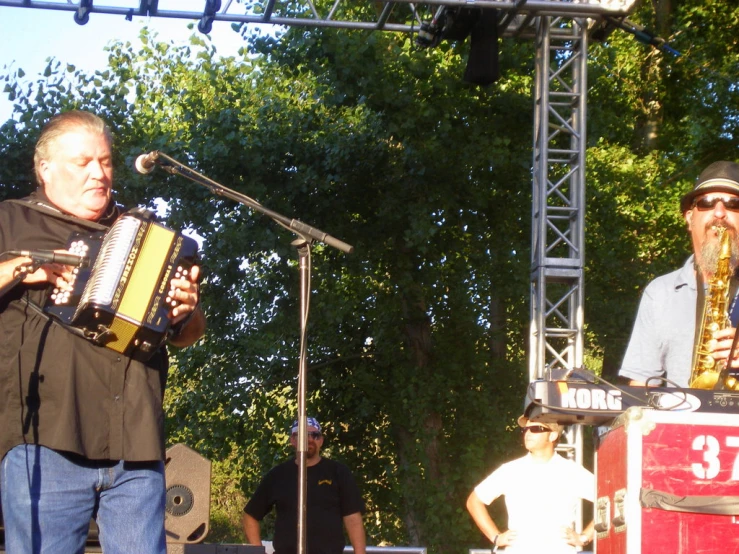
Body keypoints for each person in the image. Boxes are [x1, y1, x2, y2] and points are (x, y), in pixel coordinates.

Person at [0, 110, 206, 554]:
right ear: (45, 168)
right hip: (47, 439)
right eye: (83, 162)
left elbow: (187, 336)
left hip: (135, 439)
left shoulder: (141, 232)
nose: (99, 173)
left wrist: (188, 313)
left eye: (106, 161)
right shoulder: (11, 221)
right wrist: (24, 266)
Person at [619, 161, 739, 387]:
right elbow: (641, 386)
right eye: (707, 203)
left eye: (734, 204)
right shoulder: (660, 292)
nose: (720, 212)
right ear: (689, 217)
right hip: (683, 420)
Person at [466, 416, 595, 553]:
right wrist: (496, 537)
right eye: (525, 429)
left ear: (552, 435)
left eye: (535, 429)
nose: (528, 433)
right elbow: (474, 501)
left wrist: (584, 537)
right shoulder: (510, 470)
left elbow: (608, 500)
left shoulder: (572, 471)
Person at [243, 417, 366, 554]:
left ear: (321, 440)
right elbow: (251, 516)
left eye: (315, 435)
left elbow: (353, 518)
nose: (309, 439)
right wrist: (258, 551)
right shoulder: (277, 475)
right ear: (293, 440)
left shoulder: (338, 472)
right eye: (302, 435)